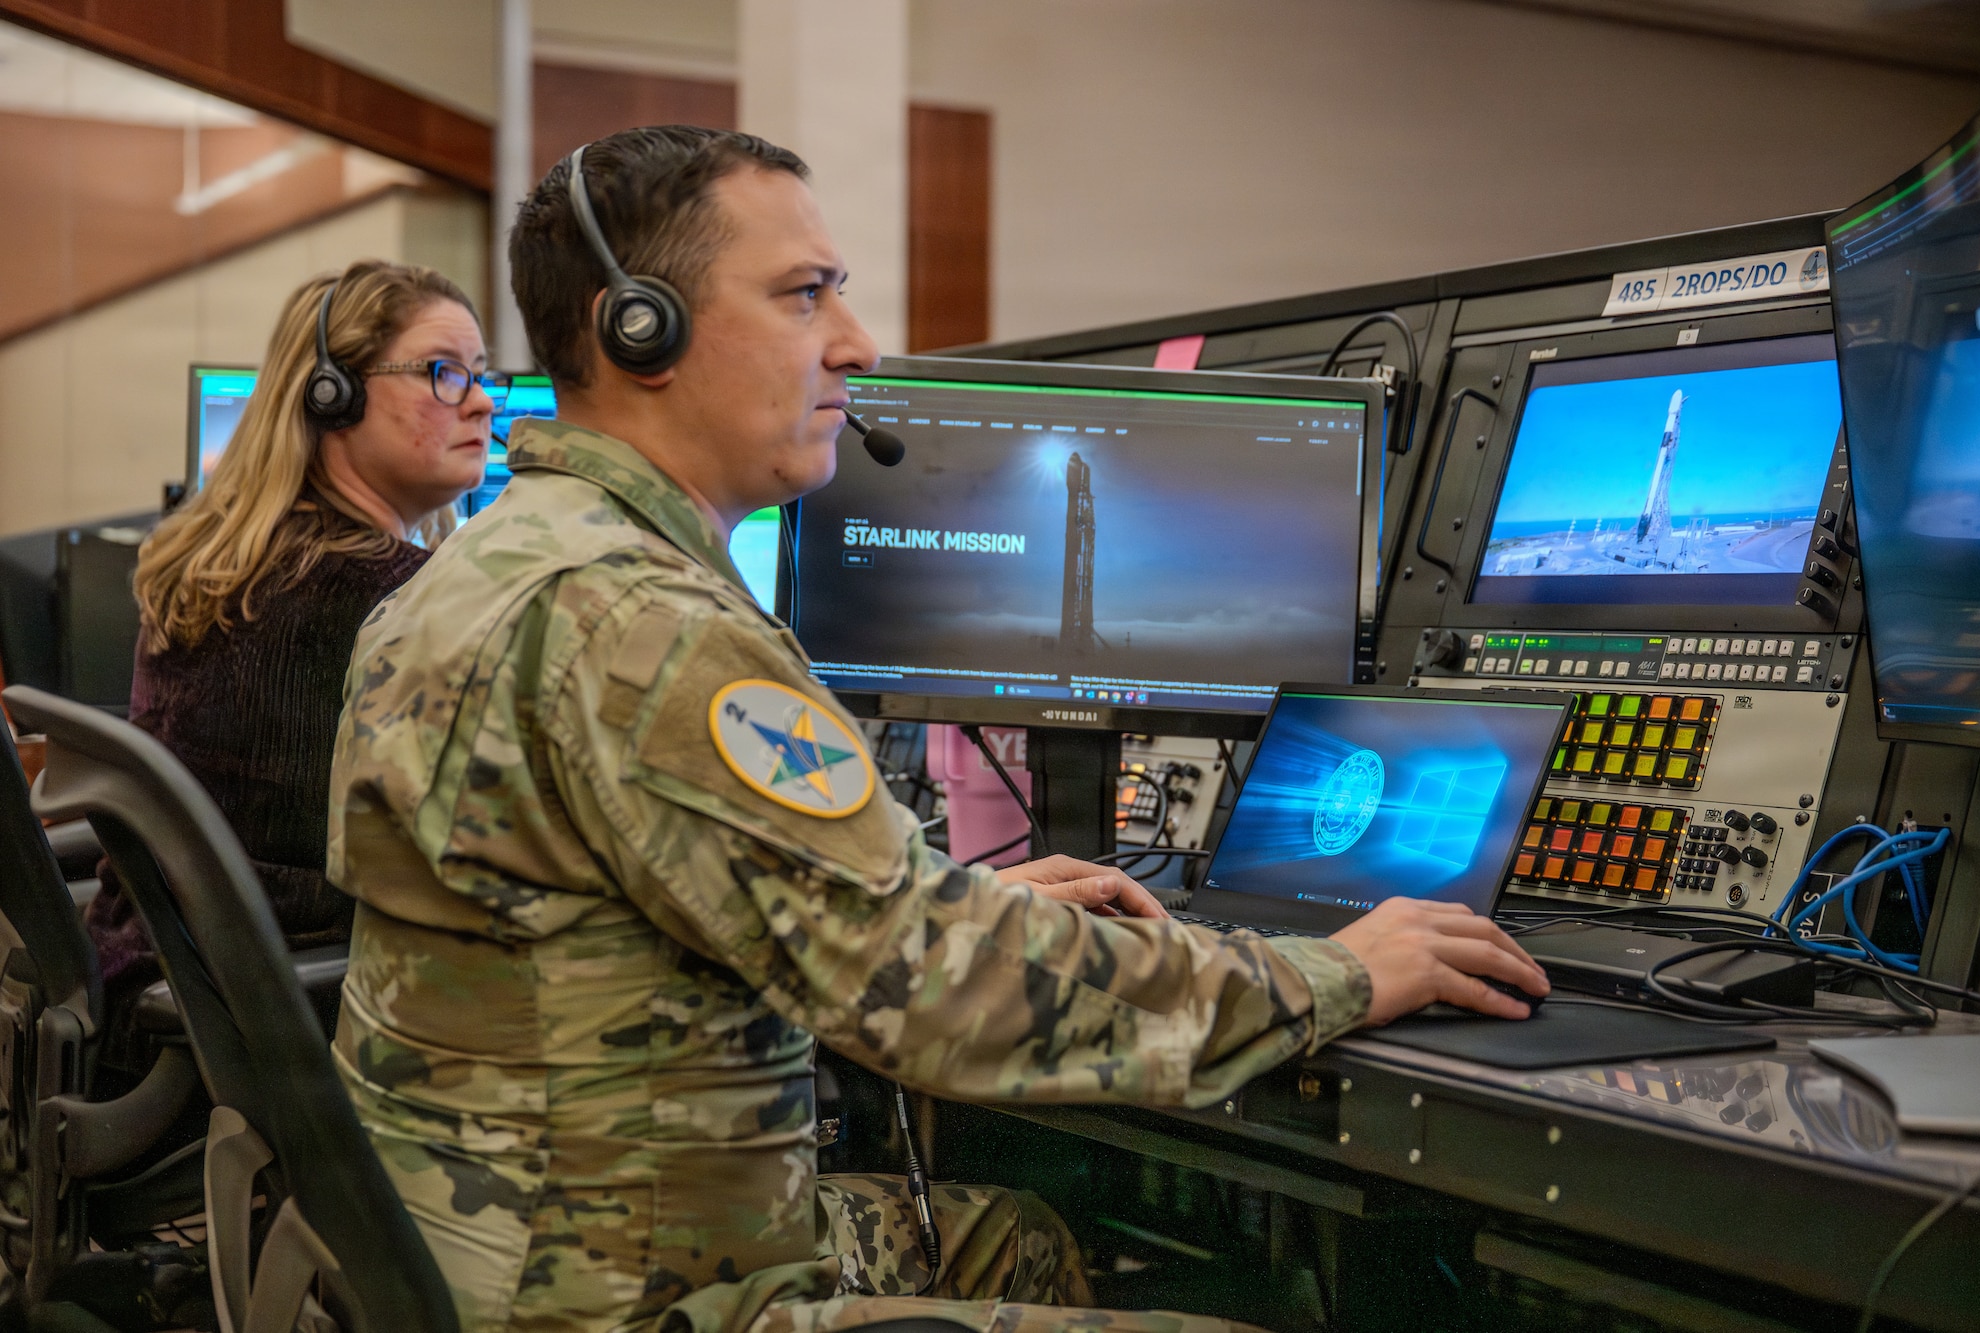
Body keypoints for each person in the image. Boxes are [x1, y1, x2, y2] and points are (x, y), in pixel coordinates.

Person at [327, 127, 1548, 1333]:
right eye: (804, 296)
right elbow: (937, 996)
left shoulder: (485, 567)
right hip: (633, 1294)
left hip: (464, 1253)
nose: (854, 345)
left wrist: (957, 902)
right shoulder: (647, 624)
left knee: (1011, 1235)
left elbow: (707, 910)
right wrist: (1336, 970)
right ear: (637, 326)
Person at [91, 260, 494, 1061]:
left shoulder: (206, 557)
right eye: (444, 373)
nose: (482, 400)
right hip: (273, 1030)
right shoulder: (393, 598)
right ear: (331, 396)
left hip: (156, 1002)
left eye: (479, 377)